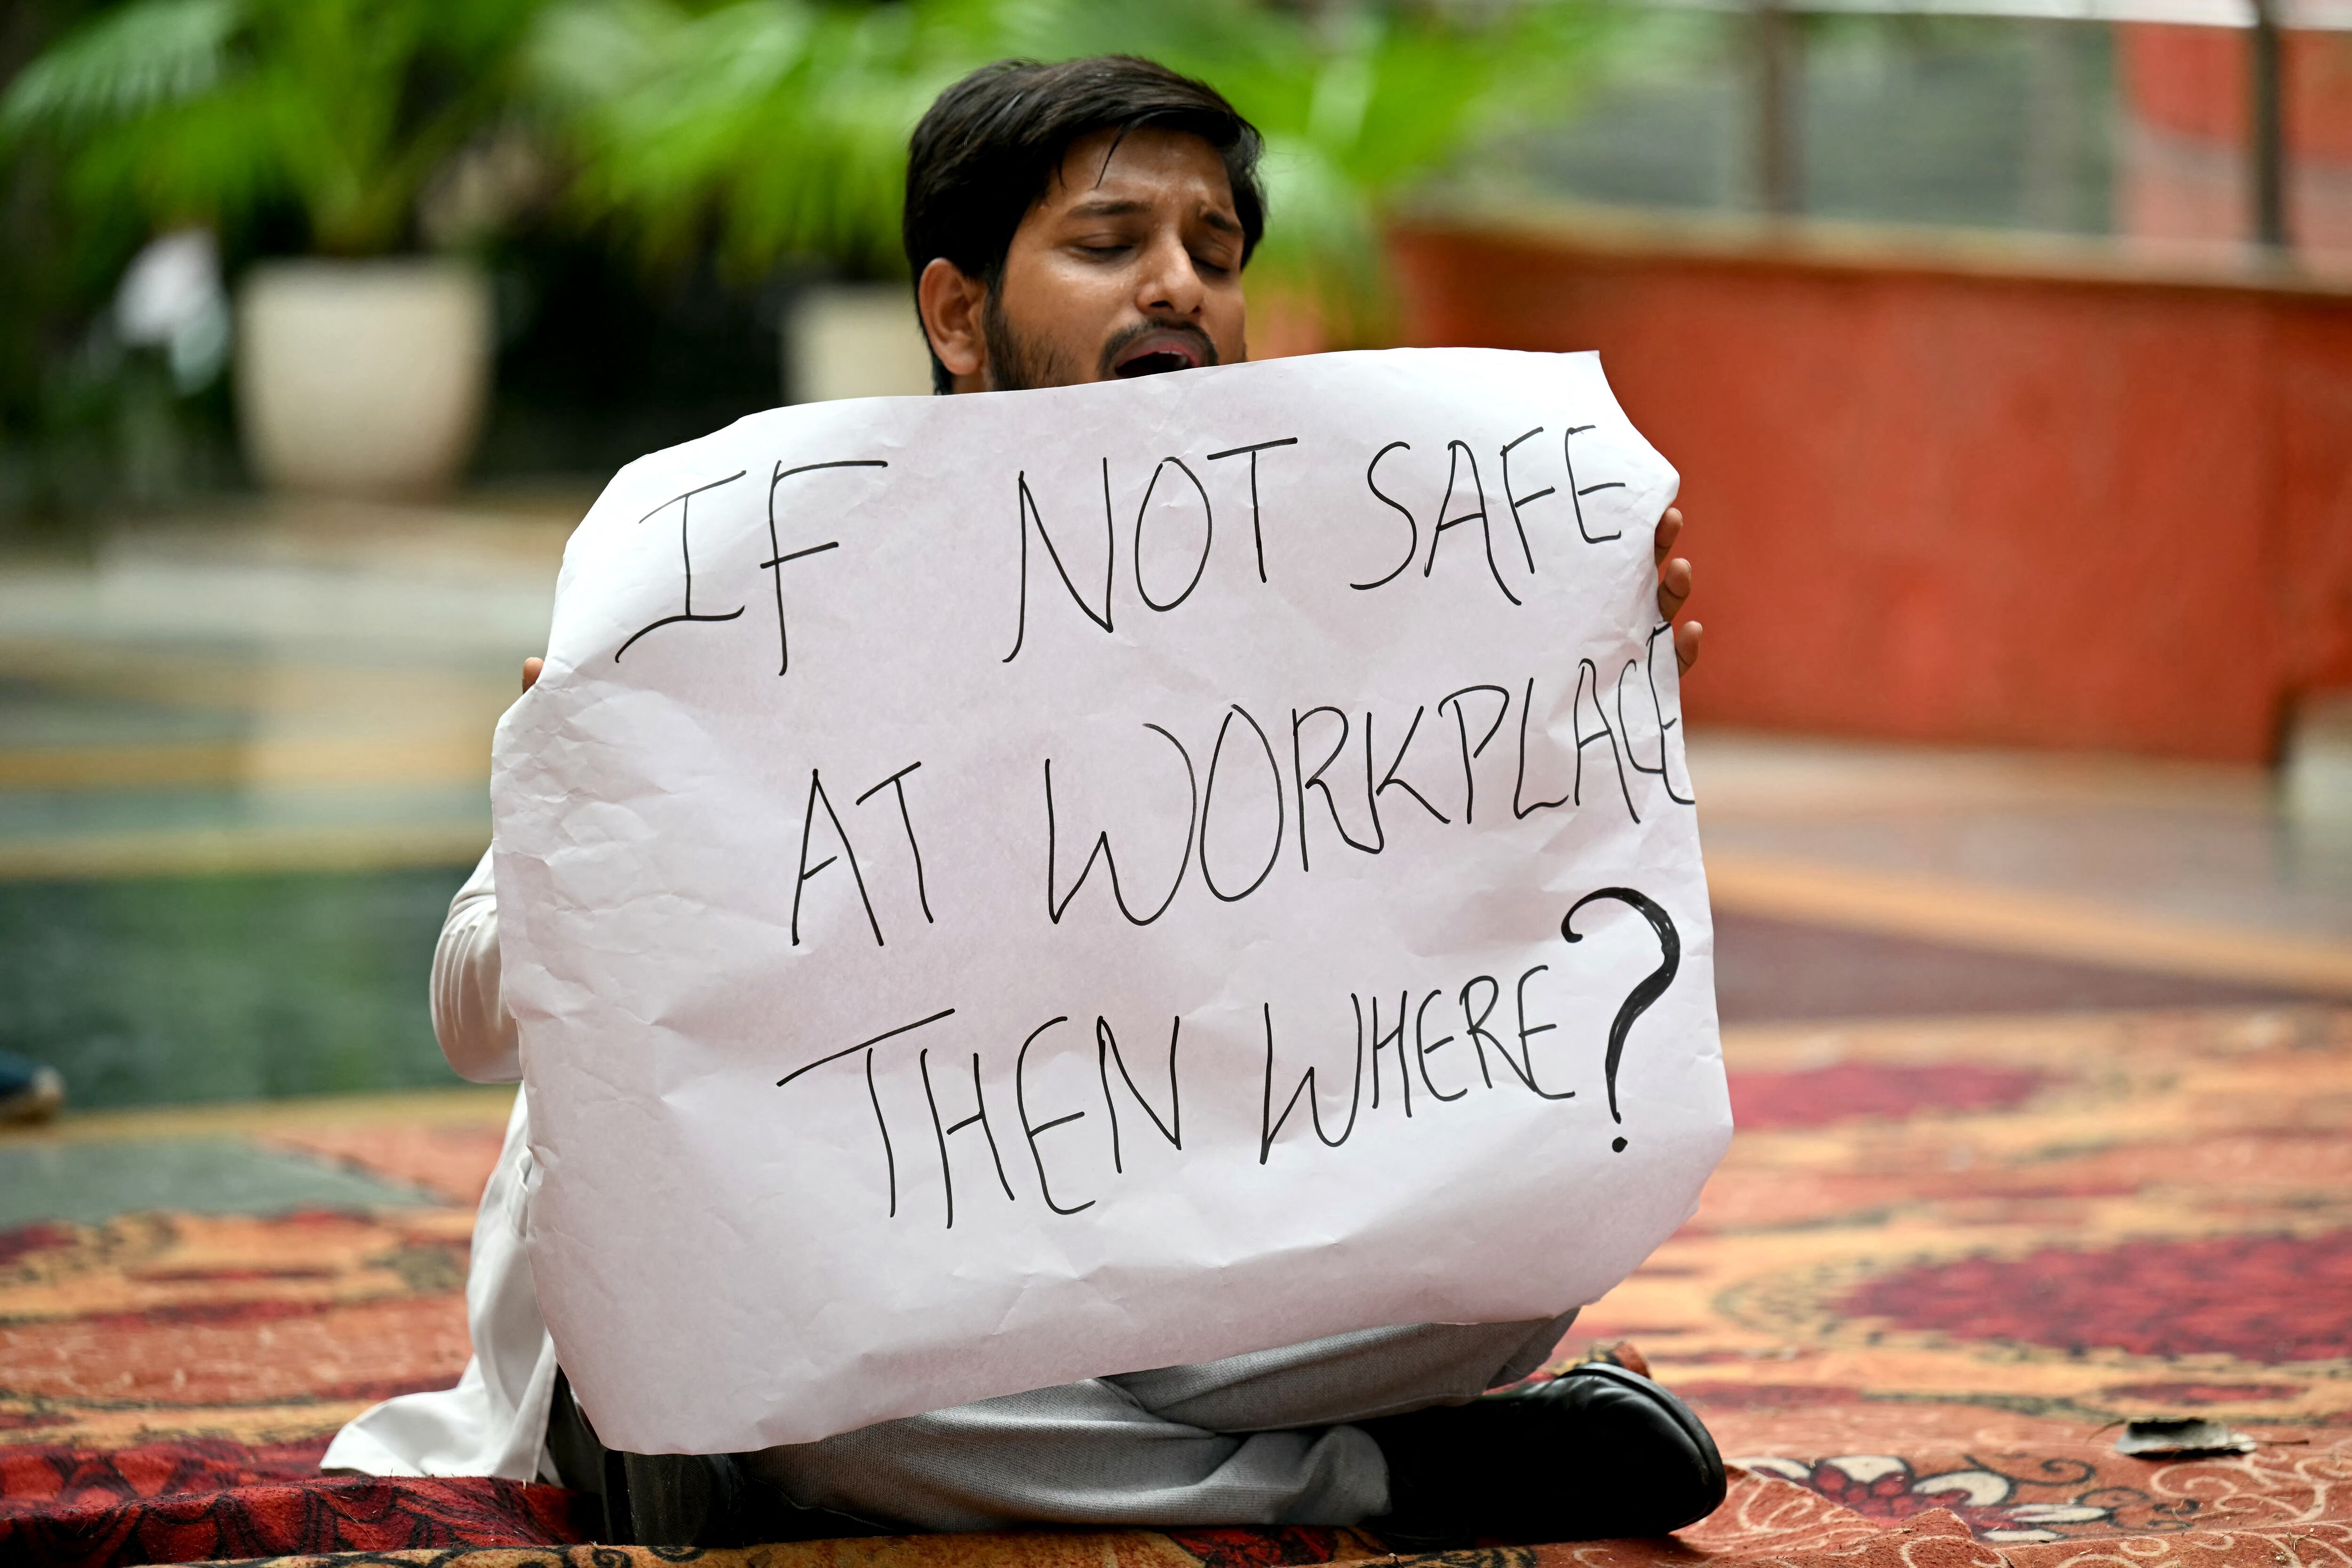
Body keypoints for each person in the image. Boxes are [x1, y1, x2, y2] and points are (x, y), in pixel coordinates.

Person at [324, 54, 1717, 1550]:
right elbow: (474, 1016)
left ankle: (884, 1458)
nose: (1177, 284)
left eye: (1216, 252)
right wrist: (579, 830)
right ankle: (1374, 1477)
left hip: (1174, 1269)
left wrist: (1570, 704)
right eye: (1110, 246)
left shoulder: (1345, 603)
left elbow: (1465, 958)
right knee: (804, 1356)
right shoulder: (756, 581)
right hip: (872, 1281)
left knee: (1522, 1228)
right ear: (957, 315)